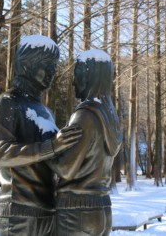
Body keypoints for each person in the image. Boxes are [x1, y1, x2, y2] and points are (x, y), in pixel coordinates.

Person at [0, 35, 82, 236]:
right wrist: (52, 147)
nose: (52, 71)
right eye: (46, 65)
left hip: (48, 209)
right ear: (28, 65)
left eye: (54, 66)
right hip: (19, 211)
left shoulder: (45, 111)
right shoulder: (7, 103)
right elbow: (0, 154)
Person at [48, 49, 122, 236]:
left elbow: (66, 169)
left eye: (78, 74)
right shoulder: (109, 115)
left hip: (77, 211)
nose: (73, 82)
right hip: (102, 207)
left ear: (91, 76)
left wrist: (45, 148)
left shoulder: (85, 115)